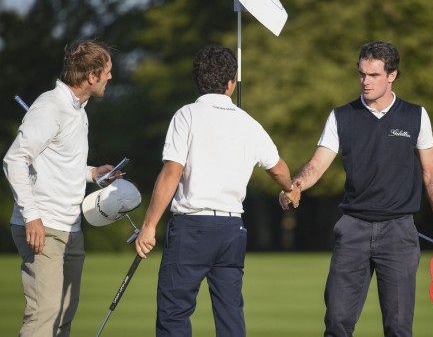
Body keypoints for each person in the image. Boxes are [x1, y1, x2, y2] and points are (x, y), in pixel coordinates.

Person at [279, 41, 433, 337]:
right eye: (361, 74)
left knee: (398, 327)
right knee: (336, 322)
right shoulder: (341, 116)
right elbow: (317, 164)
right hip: (353, 230)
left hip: (399, 232)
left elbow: (432, 173)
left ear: (392, 76)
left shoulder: (416, 116)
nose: (365, 81)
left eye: (373, 75)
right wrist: (294, 186)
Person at [135, 44, 301, 337]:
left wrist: (149, 226)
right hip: (231, 230)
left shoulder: (186, 115)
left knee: (174, 313)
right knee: (230, 315)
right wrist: (290, 189)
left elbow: (172, 172)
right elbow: (278, 169)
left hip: (191, 226)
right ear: (231, 83)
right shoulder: (249, 123)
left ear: (198, 79)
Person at [3, 39, 122, 337]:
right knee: (44, 318)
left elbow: (59, 163)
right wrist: (32, 216)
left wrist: (94, 173)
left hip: (70, 228)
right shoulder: (50, 106)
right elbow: (14, 159)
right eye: (106, 71)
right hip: (44, 227)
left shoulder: (78, 111)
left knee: (63, 317)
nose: (110, 76)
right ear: (91, 76)